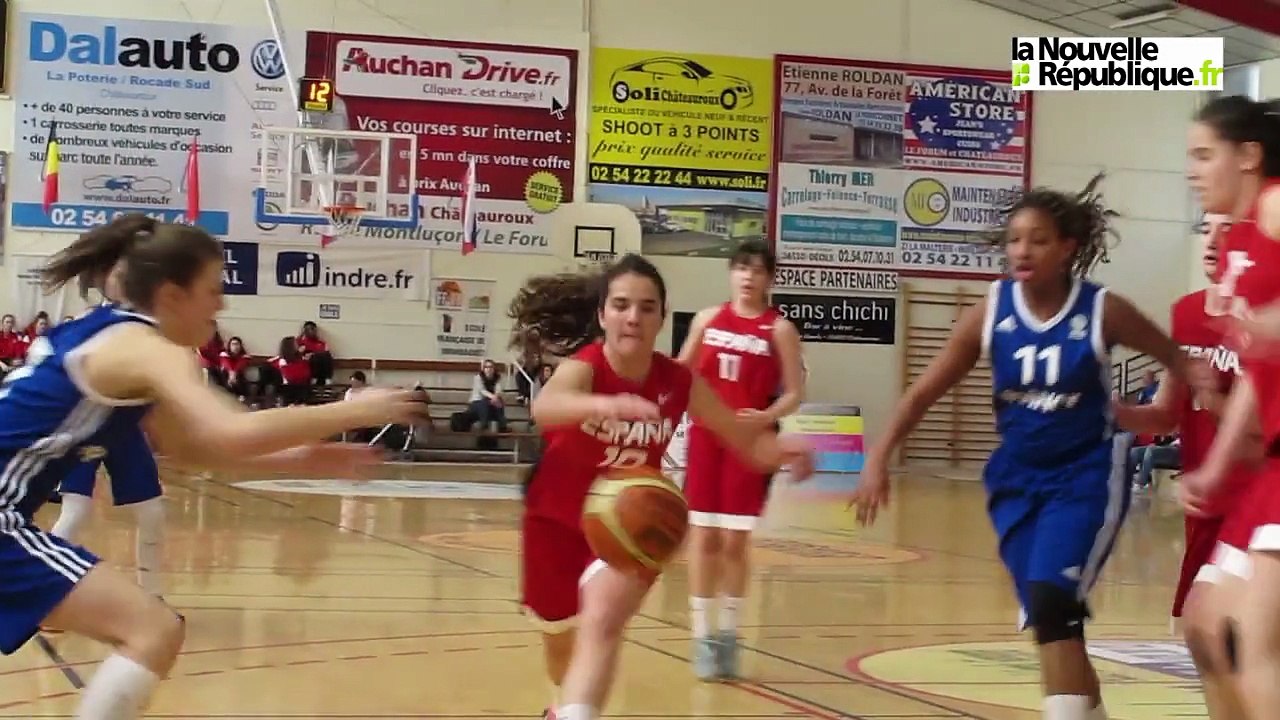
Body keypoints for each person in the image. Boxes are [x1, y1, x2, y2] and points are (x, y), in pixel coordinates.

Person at [0, 213, 425, 720]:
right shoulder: (148, 347)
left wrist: (305, 457)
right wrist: (359, 407)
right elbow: (230, 430)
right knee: (152, 629)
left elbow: (197, 451)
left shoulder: (114, 338)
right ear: (174, 295)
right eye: (213, 289)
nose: (222, 304)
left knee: (151, 629)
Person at [852, 173, 1192, 720]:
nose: (1022, 249)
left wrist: (1171, 410)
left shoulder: (1103, 310)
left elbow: (1175, 357)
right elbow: (921, 392)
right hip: (1016, 480)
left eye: (1037, 238)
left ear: (1067, 249)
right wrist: (876, 458)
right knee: (1052, 619)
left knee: (1054, 605)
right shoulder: (991, 311)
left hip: (1085, 476)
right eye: (1014, 239)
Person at [508, 254, 814, 720]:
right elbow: (547, 407)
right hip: (555, 520)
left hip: (631, 521)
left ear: (663, 318)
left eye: (647, 307)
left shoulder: (678, 380)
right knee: (560, 642)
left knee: (603, 622)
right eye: (622, 305)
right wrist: (603, 404)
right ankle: (561, 707)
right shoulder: (585, 367)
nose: (633, 316)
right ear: (603, 314)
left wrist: (781, 451)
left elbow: (739, 438)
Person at [1111, 211, 1254, 719]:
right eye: (1206, 229)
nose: (1214, 241)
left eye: (1229, 228)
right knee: (1201, 634)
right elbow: (1168, 412)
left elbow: (1262, 428)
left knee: (1241, 637)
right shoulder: (1187, 312)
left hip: (1257, 502)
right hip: (1205, 501)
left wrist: (1214, 398)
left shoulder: (1262, 317)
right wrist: (1110, 410)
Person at [1180, 95, 1280, 720]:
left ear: (1248, 157)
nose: (1192, 170)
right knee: (1204, 624)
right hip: (1268, 466)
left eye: (1203, 154)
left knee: (1254, 637)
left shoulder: (1275, 204)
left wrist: (1271, 321)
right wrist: (1217, 467)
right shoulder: (1241, 242)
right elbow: (1256, 374)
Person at [675, 240, 804, 680]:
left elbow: (794, 393)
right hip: (707, 439)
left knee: (734, 543)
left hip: (749, 443)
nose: (748, 276)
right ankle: (701, 636)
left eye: (757, 269)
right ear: (731, 273)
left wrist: (766, 416)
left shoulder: (779, 329)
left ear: (770, 278)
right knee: (703, 539)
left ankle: (729, 634)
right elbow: (679, 372)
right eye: (741, 268)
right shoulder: (708, 319)